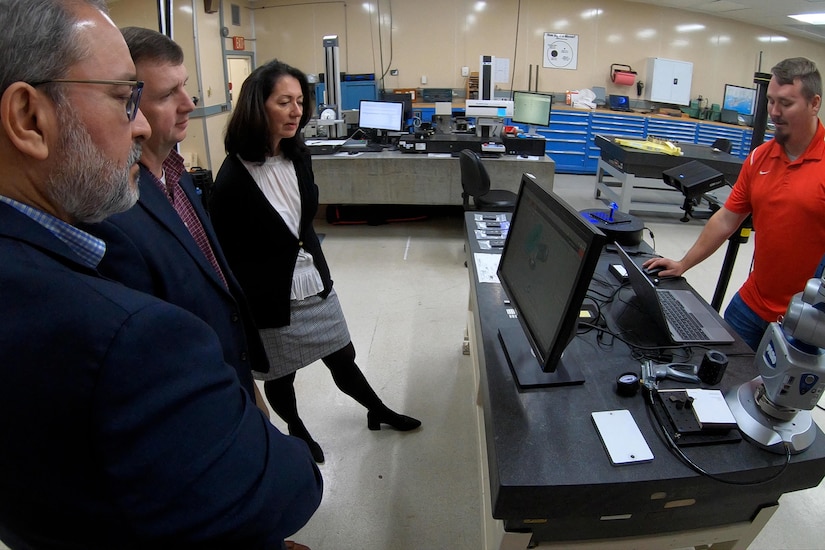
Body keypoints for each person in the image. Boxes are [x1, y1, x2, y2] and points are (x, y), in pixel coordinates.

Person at [0, 1, 321, 547]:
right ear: (30, 118)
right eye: (127, 99)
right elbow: (286, 488)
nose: (143, 123)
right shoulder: (123, 335)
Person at [209, 59, 421, 464]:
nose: (297, 111)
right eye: (284, 102)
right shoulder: (233, 179)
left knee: (343, 356)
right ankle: (298, 429)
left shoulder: (298, 155)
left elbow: (302, 222)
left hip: (314, 283)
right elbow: (227, 251)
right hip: (270, 298)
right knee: (281, 375)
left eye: (300, 101)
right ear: (258, 106)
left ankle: (377, 409)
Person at [83, 26, 268, 403]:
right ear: (126, 103)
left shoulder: (177, 174)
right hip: (195, 393)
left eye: (185, 86)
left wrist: (247, 382)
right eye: (169, 94)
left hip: (231, 373)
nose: (188, 104)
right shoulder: (113, 207)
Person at [644, 57, 825, 351]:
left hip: (805, 320)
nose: (774, 113)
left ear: (814, 103)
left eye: (786, 103)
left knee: (775, 395)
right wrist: (683, 263)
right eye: (770, 102)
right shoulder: (760, 157)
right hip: (752, 303)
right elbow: (728, 218)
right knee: (720, 373)